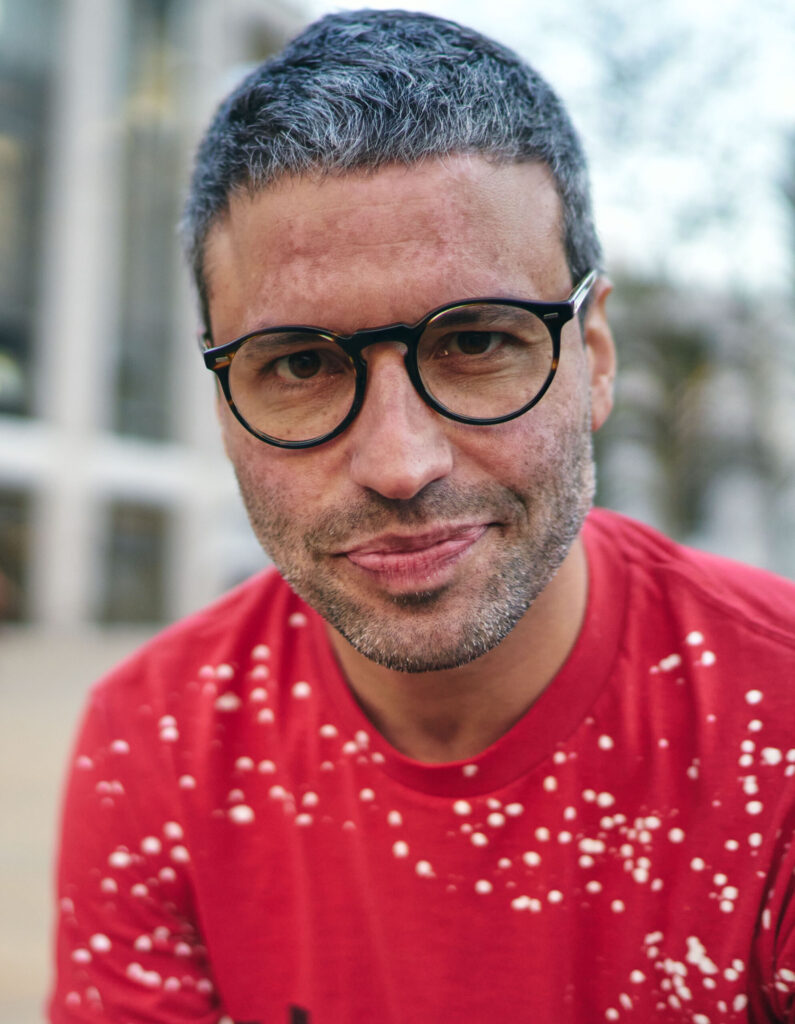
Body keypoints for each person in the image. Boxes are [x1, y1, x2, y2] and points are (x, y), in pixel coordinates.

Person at [50, 10, 795, 1023]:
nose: (400, 463)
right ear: (223, 395)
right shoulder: (160, 740)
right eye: (301, 365)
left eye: (477, 343)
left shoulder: (778, 726)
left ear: (597, 356)